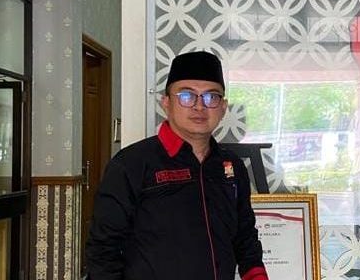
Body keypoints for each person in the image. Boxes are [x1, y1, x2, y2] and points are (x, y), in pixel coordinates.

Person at [86, 51, 269, 280]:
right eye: (186, 95)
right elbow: (103, 251)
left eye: (211, 97)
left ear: (223, 108)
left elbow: (245, 238)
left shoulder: (232, 166)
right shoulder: (131, 164)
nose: (199, 106)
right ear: (166, 103)